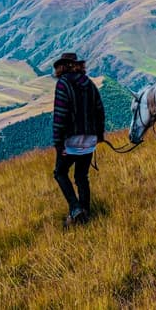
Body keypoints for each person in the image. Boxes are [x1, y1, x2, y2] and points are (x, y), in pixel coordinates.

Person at [51, 52, 105, 227]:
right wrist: (99, 135)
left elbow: (60, 115)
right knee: (82, 176)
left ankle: (75, 209)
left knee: (60, 173)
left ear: (62, 66)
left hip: (71, 140)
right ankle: (85, 213)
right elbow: (100, 110)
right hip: (89, 139)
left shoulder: (63, 84)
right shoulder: (88, 83)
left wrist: (58, 144)